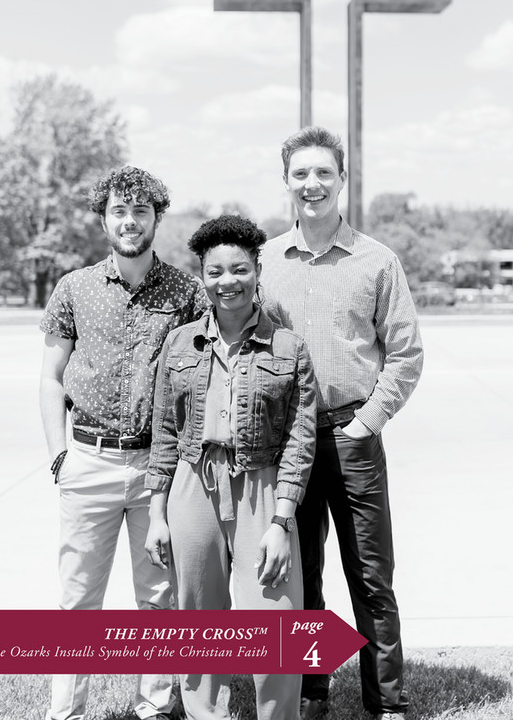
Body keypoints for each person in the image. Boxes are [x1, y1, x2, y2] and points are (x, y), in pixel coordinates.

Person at [259, 127, 424, 720]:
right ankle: (311, 691)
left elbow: (405, 354)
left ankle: (388, 702)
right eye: (300, 173)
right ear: (286, 183)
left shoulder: (377, 262)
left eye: (323, 172)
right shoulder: (265, 263)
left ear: (342, 179)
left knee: (371, 577)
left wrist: (366, 423)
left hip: (353, 436)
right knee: (300, 579)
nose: (312, 184)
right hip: (288, 443)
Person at [39, 165, 207, 720]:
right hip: (88, 459)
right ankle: (65, 711)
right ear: (103, 217)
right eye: (119, 210)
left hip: (158, 470)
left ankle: (154, 707)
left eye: (140, 210)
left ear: (157, 216)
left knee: (158, 598)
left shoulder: (186, 292)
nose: (129, 221)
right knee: (78, 597)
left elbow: (199, 377)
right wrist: (59, 454)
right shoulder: (74, 289)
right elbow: (50, 377)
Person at [144, 214, 317, 720]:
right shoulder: (179, 345)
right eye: (216, 272)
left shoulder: (288, 348)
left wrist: (282, 521)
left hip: (261, 487)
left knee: (276, 619)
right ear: (203, 276)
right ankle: (205, 714)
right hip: (192, 481)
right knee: (196, 616)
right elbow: (164, 434)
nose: (228, 282)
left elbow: (299, 441)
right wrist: (157, 513)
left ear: (257, 270)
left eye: (239, 269)